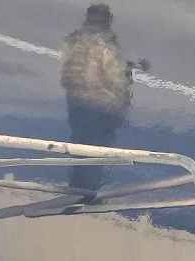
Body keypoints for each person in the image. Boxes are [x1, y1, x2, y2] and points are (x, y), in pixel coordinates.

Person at [59, 4, 144, 190]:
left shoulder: (72, 40)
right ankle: (88, 192)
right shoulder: (106, 44)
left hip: (75, 101)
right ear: (107, 20)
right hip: (100, 105)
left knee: (79, 146)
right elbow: (116, 77)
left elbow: (67, 70)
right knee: (97, 151)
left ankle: (76, 186)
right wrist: (124, 91)